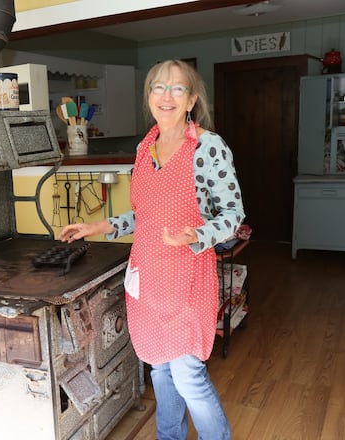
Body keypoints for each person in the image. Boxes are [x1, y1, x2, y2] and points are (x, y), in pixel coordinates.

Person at [59, 59, 244, 440]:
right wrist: (100, 225)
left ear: (191, 99)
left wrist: (196, 234)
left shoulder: (207, 147)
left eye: (178, 88)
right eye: (159, 87)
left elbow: (233, 215)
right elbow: (145, 214)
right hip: (147, 276)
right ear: (149, 97)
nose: (167, 95)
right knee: (160, 368)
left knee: (188, 375)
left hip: (189, 278)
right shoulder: (145, 148)